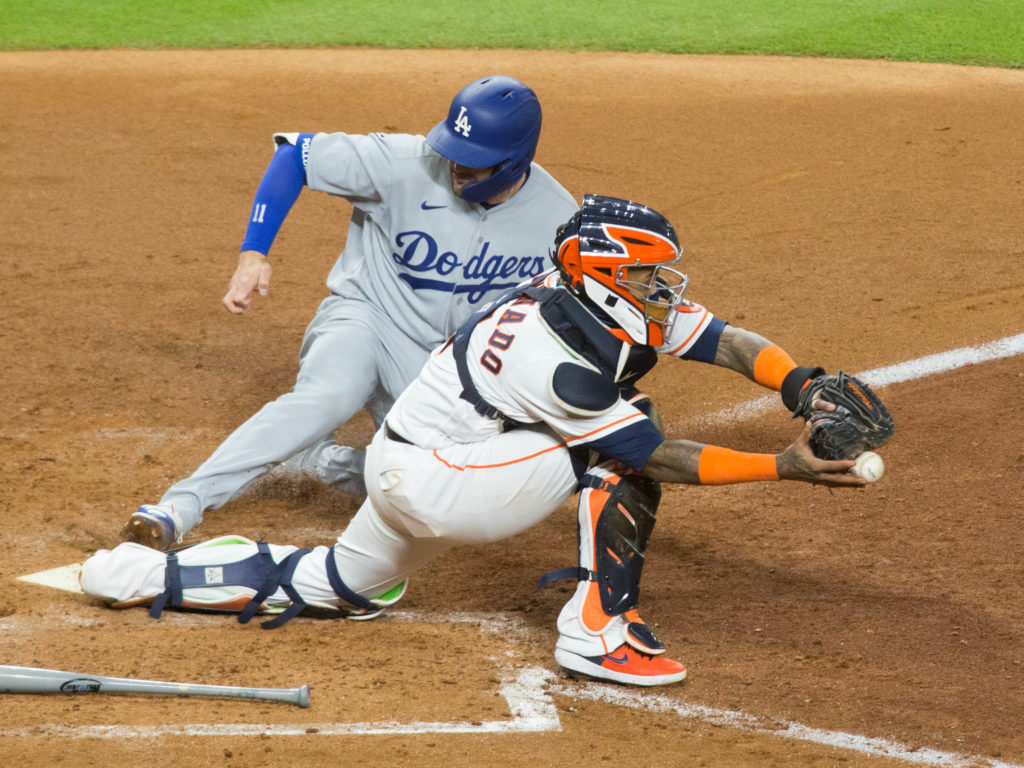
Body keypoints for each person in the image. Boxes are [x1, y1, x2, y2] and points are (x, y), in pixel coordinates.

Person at [84, 195, 867, 687]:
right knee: (622, 439)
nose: (667, 290)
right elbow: (650, 457)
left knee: (335, 584)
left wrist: (797, 382)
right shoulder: (557, 359)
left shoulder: (596, 304)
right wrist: (786, 466)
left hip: (411, 464)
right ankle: (596, 634)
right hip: (442, 487)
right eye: (650, 277)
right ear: (603, 276)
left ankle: (138, 574)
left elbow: (725, 339)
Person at [123, 75, 579, 551]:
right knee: (327, 397)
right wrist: (253, 252)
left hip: (440, 365)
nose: (455, 167)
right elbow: (295, 155)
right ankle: (179, 506)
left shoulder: (555, 220)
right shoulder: (403, 162)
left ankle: (320, 462)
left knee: (448, 482)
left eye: (473, 164)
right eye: (453, 152)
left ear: (512, 163)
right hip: (366, 318)